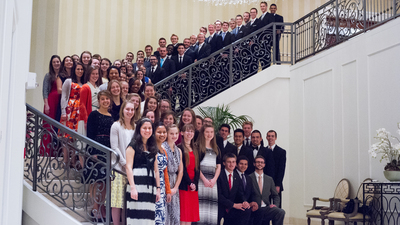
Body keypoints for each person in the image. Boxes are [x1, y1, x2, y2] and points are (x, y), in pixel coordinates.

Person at [84, 90, 114, 221]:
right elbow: (90, 135)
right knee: (95, 181)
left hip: (107, 150)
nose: (105, 101)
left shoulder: (112, 117)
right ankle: (94, 207)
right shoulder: (93, 115)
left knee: (105, 181)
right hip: (96, 148)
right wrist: (93, 152)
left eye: (108, 99)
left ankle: (102, 206)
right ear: (99, 101)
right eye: (103, 99)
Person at [125, 118, 161, 225]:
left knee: (148, 218)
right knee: (136, 216)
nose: (147, 130)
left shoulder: (153, 147)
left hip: (150, 186)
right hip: (137, 184)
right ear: (139, 129)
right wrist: (133, 187)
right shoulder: (133, 145)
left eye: (149, 128)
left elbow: (156, 170)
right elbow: (128, 167)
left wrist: (158, 188)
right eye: (144, 128)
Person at [110, 101, 135, 225]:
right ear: (122, 110)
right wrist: (125, 163)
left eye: (132, 110)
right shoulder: (116, 126)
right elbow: (114, 148)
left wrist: (131, 166)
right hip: (119, 168)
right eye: (127, 109)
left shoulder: (135, 127)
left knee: (128, 201)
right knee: (117, 201)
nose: (130, 112)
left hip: (132, 169)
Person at [196, 123, 221, 225]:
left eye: (211, 132)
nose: (209, 134)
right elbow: (196, 166)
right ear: (203, 133)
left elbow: (218, 166)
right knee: (202, 210)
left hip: (212, 183)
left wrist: (214, 179)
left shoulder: (216, 148)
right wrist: (204, 180)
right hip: (202, 182)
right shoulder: (197, 147)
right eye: (207, 132)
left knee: (211, 211)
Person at [59, 62, 85, 164]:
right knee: (66, 137)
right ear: (74, 70)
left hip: (79, 112)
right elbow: (64, 97)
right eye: (78, 69)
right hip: (69, 110)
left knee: (75, 137)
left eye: (82, 69)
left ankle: (73, 161)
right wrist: (63, 111)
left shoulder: (85, 83)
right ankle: (65, 160)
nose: (80, 71)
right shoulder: (68, 81)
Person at [250, 155, 285, 225]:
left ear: (264, 164)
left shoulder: (269, 179)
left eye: (262, 162)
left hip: (266, 208)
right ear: (254, 164)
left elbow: (276, 195)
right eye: (258, 162)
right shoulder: (249, 178)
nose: (260, 164)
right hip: (255, 208)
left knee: (280, 212)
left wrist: (275, 205)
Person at [217, 153, 251, 225]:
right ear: (224, 163)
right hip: (220, 206)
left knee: (246, 210)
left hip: (231, 208)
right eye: (229, 162)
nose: (231, 164)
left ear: (235, 163)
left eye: (233, 162)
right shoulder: (219, 175)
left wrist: (244, 201)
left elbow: (240, 193)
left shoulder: (237, 176)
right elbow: (218, 195)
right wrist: (233, 205)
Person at [177, 124, 200, 225]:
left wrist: (194, 182)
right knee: (183, 215)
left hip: (193, 186)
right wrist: (190, 182)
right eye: (187, 131)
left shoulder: (195, 148)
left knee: (190, 215)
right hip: (184, 184)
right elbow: (182, 168)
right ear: (182, 133)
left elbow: (197, 168)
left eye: (191, 131)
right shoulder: (179, 148)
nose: (189, 133)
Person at [162, 124, 184, 225]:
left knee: (175, 213)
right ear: (167, 134)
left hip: (175, 182)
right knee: (165, 212)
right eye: (171, 133)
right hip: (165, 181)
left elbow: (180, 171)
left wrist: (175, 187)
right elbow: (162, 169)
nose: (174, 136)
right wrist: (168, 189)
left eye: (176, 133)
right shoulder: (162, 148)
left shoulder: (179, 150)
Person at [41, 55, 62, 156]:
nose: (56, 63)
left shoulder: (63, 75)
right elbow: (45, 91)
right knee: (48, 126)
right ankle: (46, 152)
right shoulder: (48, 75)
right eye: (54, 62)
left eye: (58, 61)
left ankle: (56, 151)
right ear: (51, 64)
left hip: (60, 102)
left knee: (56, 126)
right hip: (51, 102)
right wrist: (46, 104)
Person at [154, 123, 172, 225]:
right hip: (153, 184)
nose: (162, 134)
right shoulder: (151, 148)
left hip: (162, 186)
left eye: (164, 132)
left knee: (161, 217)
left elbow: (165, 173)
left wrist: (168, 191)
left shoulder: (164, 150)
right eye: (159, 132)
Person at [266, 130, 286, 208]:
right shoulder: (264, 150)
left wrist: (278, 185)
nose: (270, 138)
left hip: (276, 184)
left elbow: (281, 169)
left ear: (275, 138)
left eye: (272, 136)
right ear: (266, 137)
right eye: (269, 136)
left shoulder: (281, 152)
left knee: (277, 207)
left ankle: (277, 221)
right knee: (266, 207)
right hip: (265, 184)